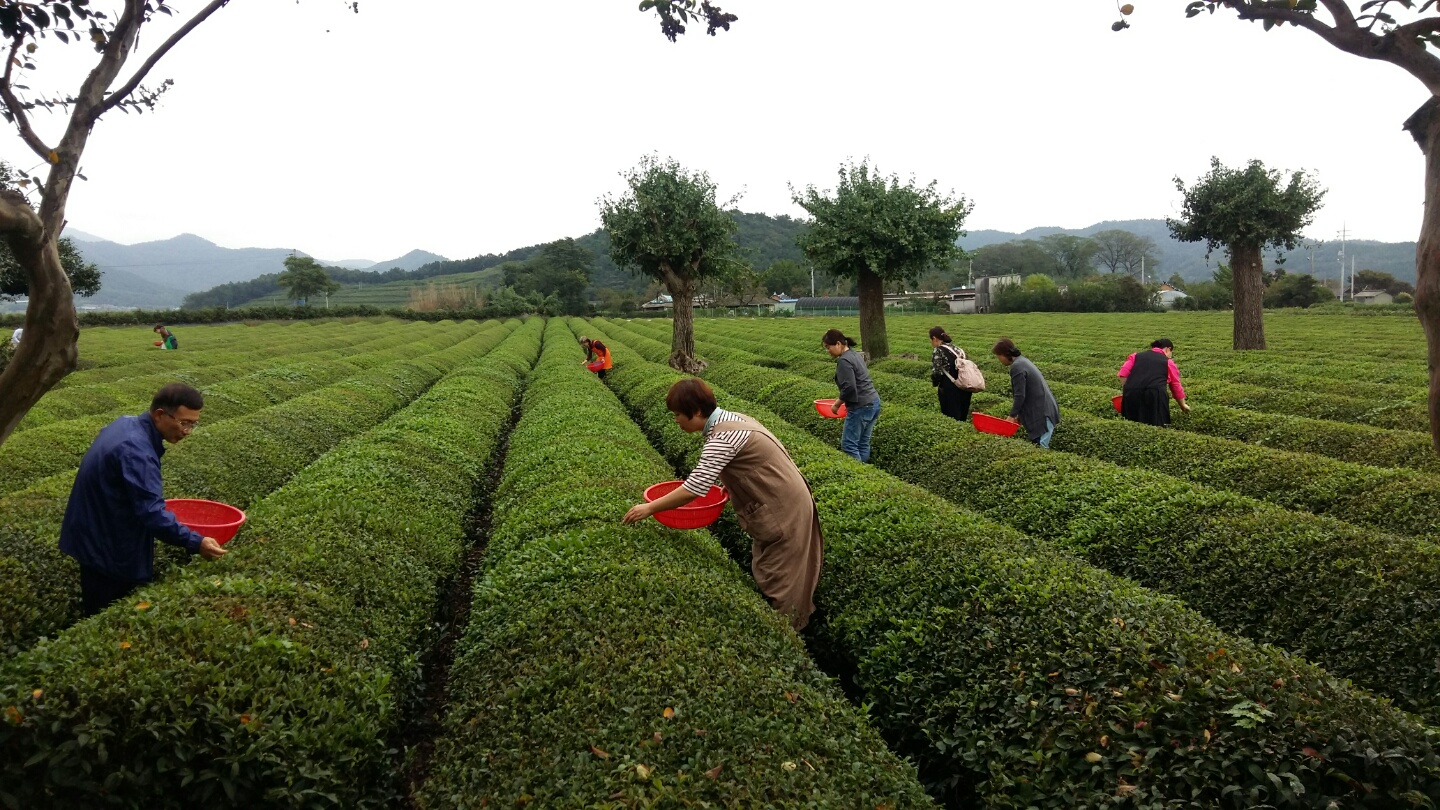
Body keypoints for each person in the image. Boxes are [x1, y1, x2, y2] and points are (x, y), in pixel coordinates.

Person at [623, 378, 824, 630]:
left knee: (782, 579)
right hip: (782, 500)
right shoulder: (733, 418)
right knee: (773, 567)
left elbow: (694, 488)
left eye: (677, 415)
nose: (675, 421)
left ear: (696, 412)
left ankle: (789, 633)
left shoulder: (724, 436)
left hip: (784, 508)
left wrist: (649, 508)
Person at [58, 383, 226, 616]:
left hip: (94, 531)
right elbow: (152, 513)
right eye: (184, 422)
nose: (187, 431)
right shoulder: (136, 451)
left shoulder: (126, 423)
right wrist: (196, 542)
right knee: (108, 614)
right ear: (159, 415)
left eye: (193, 424)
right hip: (106, 546)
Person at [822, 328, 881, 463]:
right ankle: (867, 476)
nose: (827, 351)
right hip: (873, 402)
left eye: (828, 347)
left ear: (838, 344)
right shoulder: (854, 355)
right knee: (862, 443)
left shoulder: (844, 361)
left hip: (861, 406)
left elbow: (849, 388)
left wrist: (836, 405)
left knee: (849, 445)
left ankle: (858, 477)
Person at [992, 337, 1060, 449]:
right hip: (1044, 408)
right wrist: (1019, 416)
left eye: (998, 356)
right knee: (1038, 445)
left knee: (1040, 447)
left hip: (1043, 413)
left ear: (1004, 354)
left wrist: (1012, 415)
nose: (998, 359)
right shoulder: (1022, 361)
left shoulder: (1017, 367)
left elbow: (1020, 395)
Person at [1118, 338, 1190, 427]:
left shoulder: (1135, 356)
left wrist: (1129, 390)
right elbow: (1175, 385)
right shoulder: (1168, 362)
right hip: (1155, 395)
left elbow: (1123, 374)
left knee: (1132, 423)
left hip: (1132, 392)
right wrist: (1183, 405)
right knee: (1157, 424)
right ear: (1168, 349)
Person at [928, 326, 973, 422]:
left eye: (931, 340)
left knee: (951, 418)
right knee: (962, 417)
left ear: (934, 338)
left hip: (950, 389)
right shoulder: (958, 349)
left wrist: (936, 384)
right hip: (965, 386)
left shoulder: (938, 350)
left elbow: (937, 372)